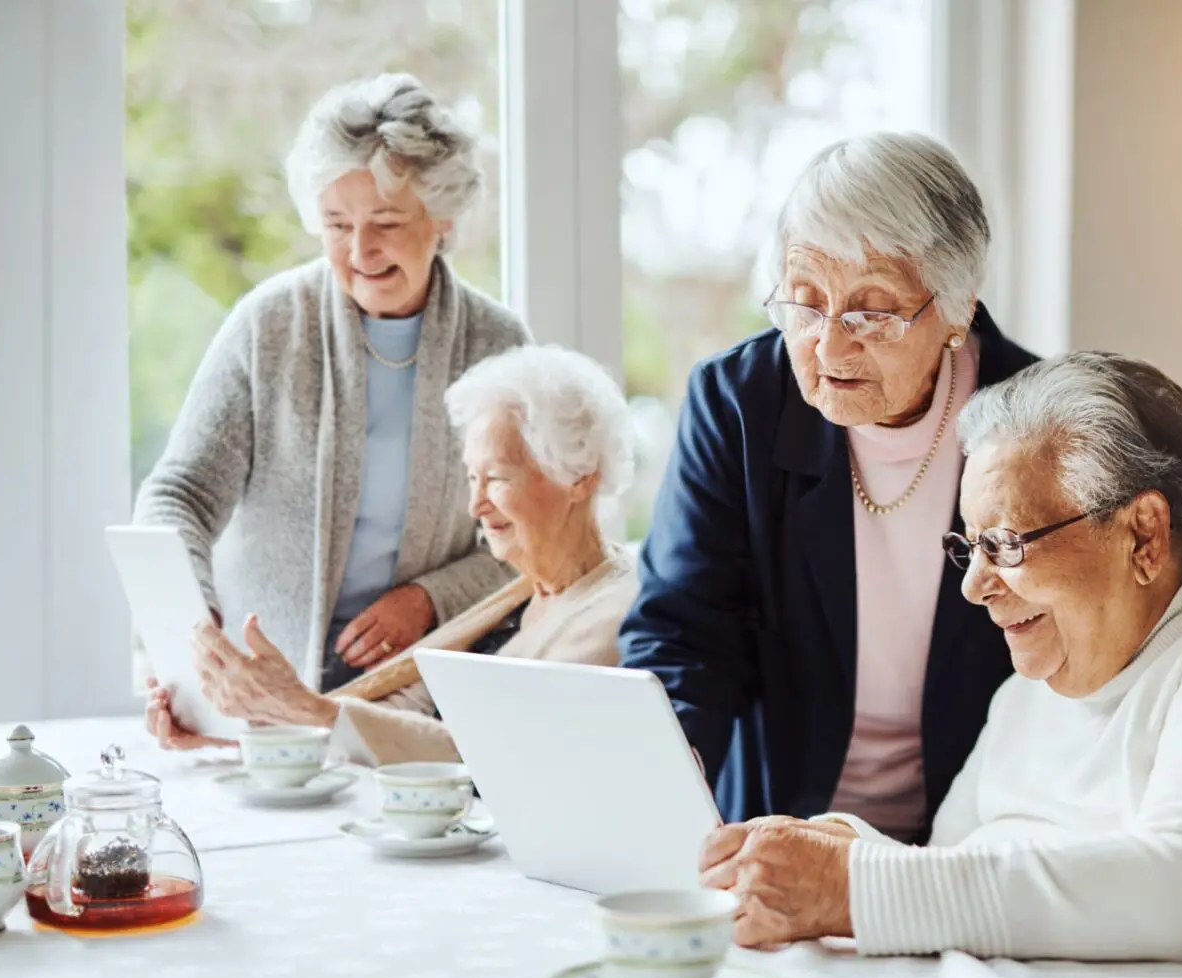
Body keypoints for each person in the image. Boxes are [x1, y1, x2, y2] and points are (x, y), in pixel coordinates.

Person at [697, 352, 1182, 978]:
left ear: (1143, 534)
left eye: (1006, 545)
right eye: (969, 545)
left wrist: (854, 887)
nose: (973, 585)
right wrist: (838, 847)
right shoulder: (1027, 692)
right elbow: (948, 876)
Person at [619, 132, 1042, 840]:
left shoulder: (1039, 419)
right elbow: (684, 631)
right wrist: (673, 764)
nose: (828, 344)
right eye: (806, 302)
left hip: (981, 835)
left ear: (959, 306)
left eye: (871, 310)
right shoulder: (739, 405)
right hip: (779, 823)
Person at [134, 73, 529, 693]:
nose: (361, 250)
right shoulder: (268, 326)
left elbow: (534, 538)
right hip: (261, 676)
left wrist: (429, 600)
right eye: (337, 225)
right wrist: (192, 622)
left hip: (425, 683)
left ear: (442, 217)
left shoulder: (497, 346)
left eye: (387, 222)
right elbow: (178, 493)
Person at [144, 345, 638, 766]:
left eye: (498, 479)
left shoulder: (618, 613)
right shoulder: (515, 597)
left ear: (580, 477)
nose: (476, 505)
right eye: (472, 478)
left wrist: (303, 711)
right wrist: (239, 720)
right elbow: (400, 711)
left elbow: (492, 755)